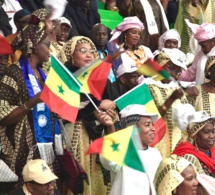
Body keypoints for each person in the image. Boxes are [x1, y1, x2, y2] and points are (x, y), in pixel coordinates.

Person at [0, 24, 64, 193]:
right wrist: (32, 102)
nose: (50, 49)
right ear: (34, 46)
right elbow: (4, 116)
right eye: (46, 44)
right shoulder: (13, 74)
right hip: (22, 150)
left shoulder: (45, 73)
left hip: (45, 149)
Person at [57, 36, 116, 195]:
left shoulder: (103, 80)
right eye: (83, 51)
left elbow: (114, 107)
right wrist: (98, 105)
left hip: (98, 137)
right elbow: (64, 113)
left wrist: (110, 113)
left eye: (92, 51)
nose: (89, 55)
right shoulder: (65, 80)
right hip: (75, 137)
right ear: (71, 57)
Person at [99, 104, 162, 195]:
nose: (153, 129)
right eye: (147, 125)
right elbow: (108, 160)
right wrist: (110, 127)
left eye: (152, 124)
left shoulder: (156, 154)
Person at [146, 48, 193, 158]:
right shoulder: (147, 87)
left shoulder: (176, 87)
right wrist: (171, 99)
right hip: (156, 143)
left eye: (178, 71)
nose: (174, 74)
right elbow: (150, 120)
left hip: (177, 142)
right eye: (171, 68)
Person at [173, 104, 215, 177]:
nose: (211, 136)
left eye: (213, 131)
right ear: (195, 134)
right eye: (206, 132)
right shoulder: (187, 156)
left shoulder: (213, 151)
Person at [179, 19, 215, 85]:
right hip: (202, 93)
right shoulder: (200, 55)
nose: (202, 49)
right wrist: (177, 71)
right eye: (200, 46)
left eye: (204, 46)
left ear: (214, 41)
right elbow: (190, 75)